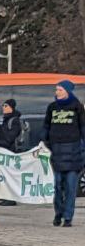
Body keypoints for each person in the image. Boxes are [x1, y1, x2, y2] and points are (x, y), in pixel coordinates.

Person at [45, 80, 84, 228]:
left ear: (67, 91)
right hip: (57, 153)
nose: (57, 92)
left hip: (73, 154)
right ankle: (58, 213)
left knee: (70, 187)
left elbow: (83, 128)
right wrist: (46, 142)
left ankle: (68, 217)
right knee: (57, 186)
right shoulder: (52, 107)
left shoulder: (77, 107)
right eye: (56, 90)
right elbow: (46, 127)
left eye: (60, 90)